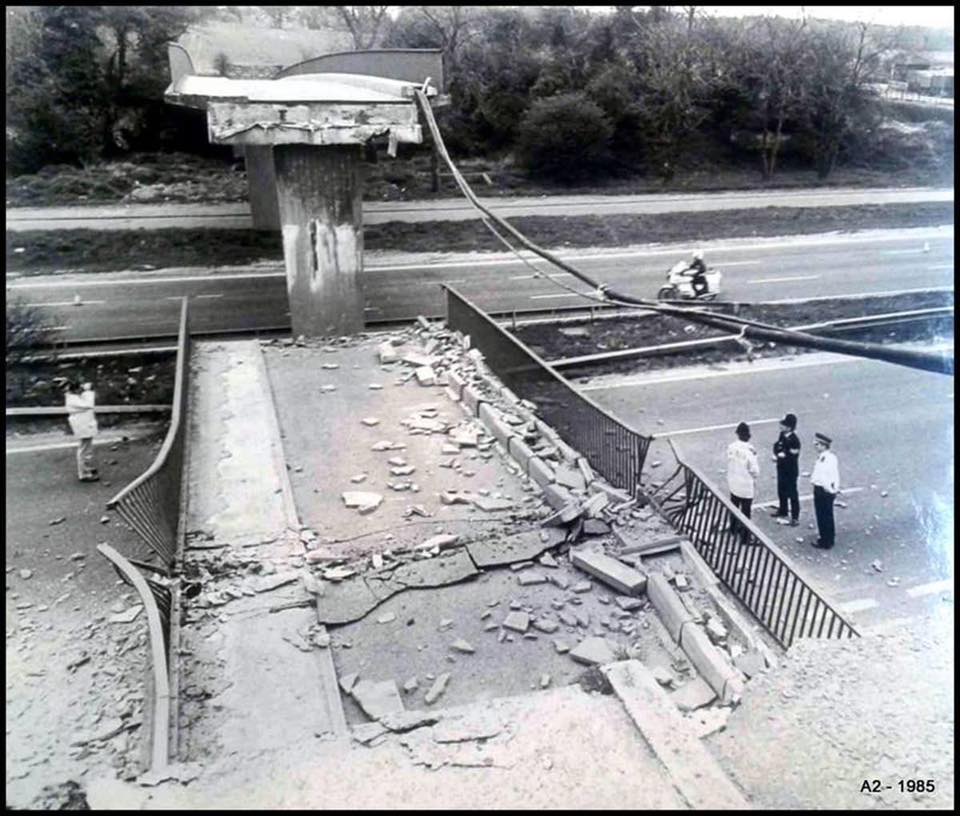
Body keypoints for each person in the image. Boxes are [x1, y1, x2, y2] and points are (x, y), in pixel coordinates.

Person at [726, 421, 759, 544]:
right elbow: (755, 470)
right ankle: (745, 537)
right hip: (745, 485)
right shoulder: (750, 451)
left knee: (734, 506)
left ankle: (733, 528)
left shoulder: (731, 447)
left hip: (733, 481)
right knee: (746, 512)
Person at [810, 432, 840, 549]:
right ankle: (827, 538)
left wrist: (828, 490)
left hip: (823, 490)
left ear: (823, 445)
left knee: (823, 516)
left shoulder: (826, 459)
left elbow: (825, 477)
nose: (815, 446)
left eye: (817, 444)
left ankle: (825, 540)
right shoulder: (827, 457)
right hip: (824, 489)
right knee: (825, 515)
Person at [770, 412, 801, 526]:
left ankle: (795, 517)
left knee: (792, 493)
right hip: (781, 468)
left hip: (790, 471)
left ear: (789, 427)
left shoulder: (794, 441)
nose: (780, 426)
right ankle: (783, 510)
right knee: (781, 490)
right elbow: (777, 446)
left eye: (783, 424)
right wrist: (777, 454)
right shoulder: (782, 435)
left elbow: (793, 456)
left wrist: (783, 456)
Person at [65, 380, 99, 482]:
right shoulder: (72, 399)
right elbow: (89, 404)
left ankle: (86, 468)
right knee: (84, 449)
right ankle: (84, 473)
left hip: (84, 424)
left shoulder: (74, 397)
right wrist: (88, 391)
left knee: (86, 447)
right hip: (82, 425)